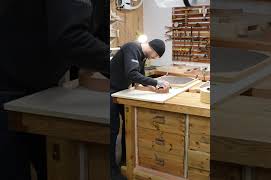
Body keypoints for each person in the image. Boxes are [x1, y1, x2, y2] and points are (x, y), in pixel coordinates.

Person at [0, 0, 109, 179]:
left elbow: (100, 32)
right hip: (8, 86)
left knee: (54, 167)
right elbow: (70, 38)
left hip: (40, 88)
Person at [110, 39, 170, 179]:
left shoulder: (142, 57)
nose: (154, 58)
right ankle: (112, 170)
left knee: (128, 125)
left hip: (123, 92)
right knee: (113, 130)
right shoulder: (132, 48)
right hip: (110, 90)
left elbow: (137, 82)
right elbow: (132, 74)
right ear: (154, 50)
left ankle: (126, 160)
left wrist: (154, 89)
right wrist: (156, 81)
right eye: (156, 56)